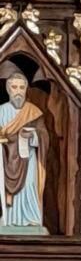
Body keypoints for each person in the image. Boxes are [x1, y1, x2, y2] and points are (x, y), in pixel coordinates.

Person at [0, 66, 48, 232]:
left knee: (29, 186)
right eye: (14, 87)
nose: (18, 91)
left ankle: (31, 218)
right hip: (6, 158)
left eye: (22, 87)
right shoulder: (1, 111)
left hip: (28, 159)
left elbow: (44, 136)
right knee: (6, 189)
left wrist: (33, 136)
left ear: (26, 89)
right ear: (8, 89)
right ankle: (9, 219)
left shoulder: (34, 112)